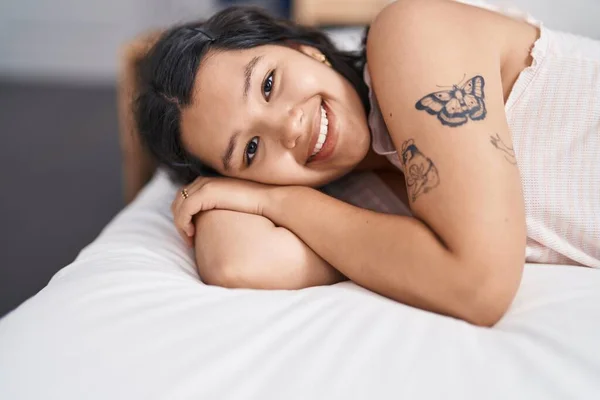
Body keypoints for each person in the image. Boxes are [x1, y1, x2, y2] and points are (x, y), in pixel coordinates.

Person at [122, 0, 600, 326]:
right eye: (249, 151)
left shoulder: (414, 35)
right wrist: (266, 199)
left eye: (268, 83)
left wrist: (274, 200)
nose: (289, 128)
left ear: (304, 50)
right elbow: (239, 263)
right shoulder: (351, 202)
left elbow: (478, 286)